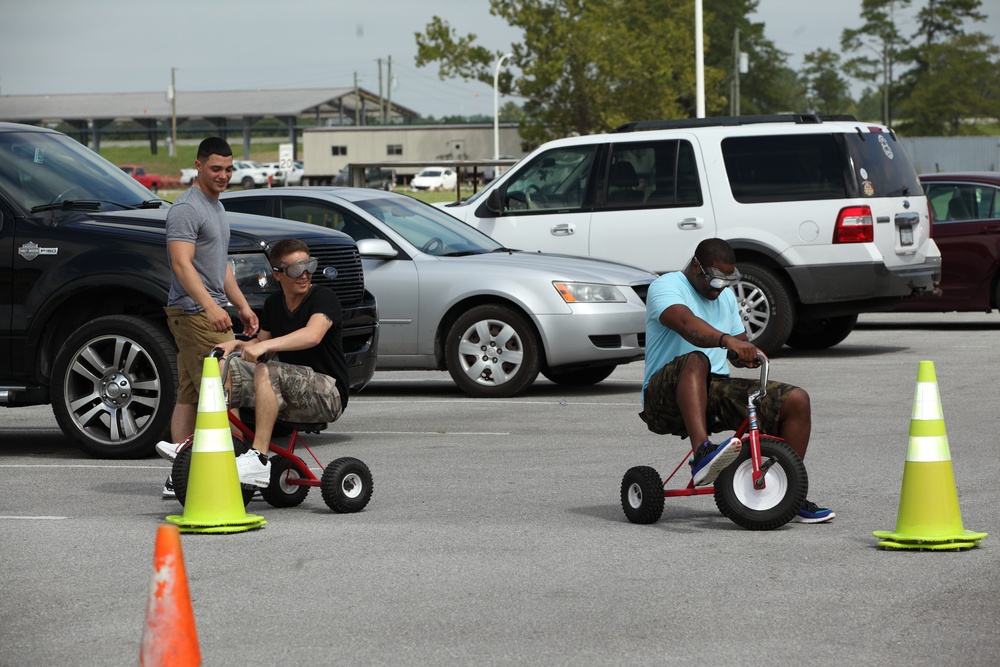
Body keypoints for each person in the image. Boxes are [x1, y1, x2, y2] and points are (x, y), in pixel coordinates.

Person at [638, 238, 834, 523]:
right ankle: (702, 451)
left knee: (795, 400)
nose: (720, 288)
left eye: (727, 281)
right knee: (696, 359)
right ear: (696, 267)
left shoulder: (726, 298)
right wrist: (725, 339)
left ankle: (787, 492)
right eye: (716, 280)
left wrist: (745, 353)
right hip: (664, 395)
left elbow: (737, 345)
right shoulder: (666, 287)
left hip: (712, 389)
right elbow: (686, 325)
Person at [159, 238, 350, 488]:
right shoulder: (273, 304)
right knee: (222, 365)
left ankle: (258, 459)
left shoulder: (324, 297)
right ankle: (223, 447)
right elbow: (260, 344)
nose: (304, 274)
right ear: (278, 274)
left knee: (264, 371)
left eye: (309, 266)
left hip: (327, 393)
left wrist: (265, 346)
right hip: (290, 386)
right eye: (295, 269)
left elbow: (312, 335)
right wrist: (236, 345)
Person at [157, 137, 259, 497]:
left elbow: (220, 266)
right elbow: (182, 264)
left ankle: (178, 475)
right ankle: (231, 474)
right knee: (222, 393)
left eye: (229, 169)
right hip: (193, 311)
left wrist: (242, 306)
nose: (224, 175)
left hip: (202, 309)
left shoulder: (216, 206)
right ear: (198, 166)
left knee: (188, 392)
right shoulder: (186, 208)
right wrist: (211, 307)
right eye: (216, 168)